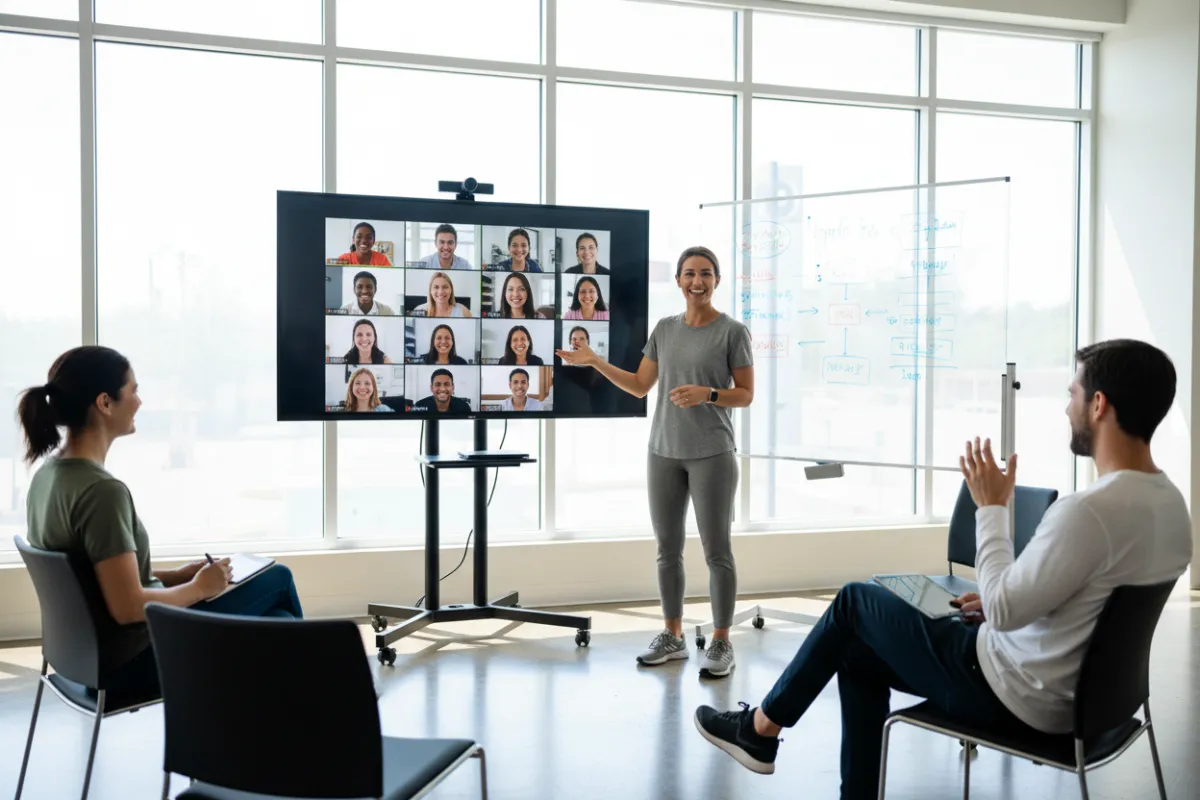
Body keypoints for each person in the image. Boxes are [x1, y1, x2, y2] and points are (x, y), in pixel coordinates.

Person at [694, 338, 1193, 798]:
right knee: (855, 650)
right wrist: (1009, 595)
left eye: (1073, 394)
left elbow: (1001, 609)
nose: (1068, 407)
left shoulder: (1088, 513)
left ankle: (761, 729)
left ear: (1099, 404)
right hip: (1095, 706)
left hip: (1018, 697)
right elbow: (1089, 607)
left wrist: (992, 508)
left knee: (853, 601)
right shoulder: (1172, 507)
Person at [18, 346, 304, 695]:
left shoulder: (47, 476)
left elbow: (93, 581)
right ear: (105, 403)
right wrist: (200, 588)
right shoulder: (101, 492)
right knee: (277, 579)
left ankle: (281, 717)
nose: (139, 401)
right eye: (133, 390)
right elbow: (126, 607)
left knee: (280, 624)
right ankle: (313, 711)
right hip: (137, 661)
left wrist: (176, 577)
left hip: (82, 660)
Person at [557, 245, 754, 677]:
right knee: (668, 551)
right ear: (680, 281)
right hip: (663, 451)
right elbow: (640, 386)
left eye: (705, 274)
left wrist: (709, 393)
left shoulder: (732, 332)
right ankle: (673, 635)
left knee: (716, 551)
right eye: (689, 274)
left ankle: (721, 641)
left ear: (716, 280)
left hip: (713, 454)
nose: (696, 281)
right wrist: (594, 361)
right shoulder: (665, 329)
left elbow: (745, 394)